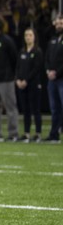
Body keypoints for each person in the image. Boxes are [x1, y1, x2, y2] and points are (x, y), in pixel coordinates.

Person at [15, 27, 43, 142]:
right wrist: (17, 79)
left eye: (30, 35)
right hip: (21, 85)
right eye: (26, 35)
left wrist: (26, 80)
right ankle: (26, 133)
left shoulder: (37, 51)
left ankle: (38, 133)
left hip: (33, 84)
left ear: (34, 37)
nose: (28, 37)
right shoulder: (22, 51)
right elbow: (17, 67)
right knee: (25, 110)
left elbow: (36, 68)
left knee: (35, 109)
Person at [45, 15, 63, 143]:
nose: (58, 25)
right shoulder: (52, 40)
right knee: (54, 108)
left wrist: (57, 72)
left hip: (61, 78)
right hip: (52, 80)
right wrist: (47, 71)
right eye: (57, 23)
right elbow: (47, 58)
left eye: (61, 23)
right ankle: (54, 133)